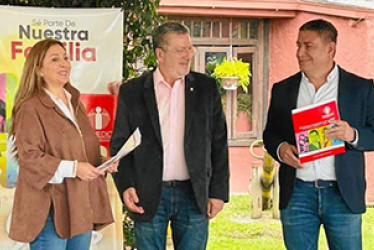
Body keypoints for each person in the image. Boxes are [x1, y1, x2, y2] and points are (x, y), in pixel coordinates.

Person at [110, 21, 229, 250]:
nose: (187, 55)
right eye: (179, 50)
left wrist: (218, 192)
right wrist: (126, 185)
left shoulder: (206, 88)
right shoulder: (133, 91)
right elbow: (120, 144)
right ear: (160, 54)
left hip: (194, 194)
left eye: (189, 48)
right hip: (148, 193)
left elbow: (218, 143)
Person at [263, 19, 374, 250]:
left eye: (308, 46)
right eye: (297, 45)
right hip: (297, 194)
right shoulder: (283, 89)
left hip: (343, 195)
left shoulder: (361, 88)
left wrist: (352, 134)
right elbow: (270, 134)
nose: (299, 52)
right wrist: (281, 149)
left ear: (330, 48)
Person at [8, 39, 117, 250]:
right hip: (49, 211)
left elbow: (83, 150)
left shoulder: (74, 102)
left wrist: (104, 163)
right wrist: (74, 168)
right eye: (55, 59)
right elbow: (29, 157)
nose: (64, 63)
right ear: (38, 70)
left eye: (66, 57)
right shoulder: (30, 107)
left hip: (80, 208)